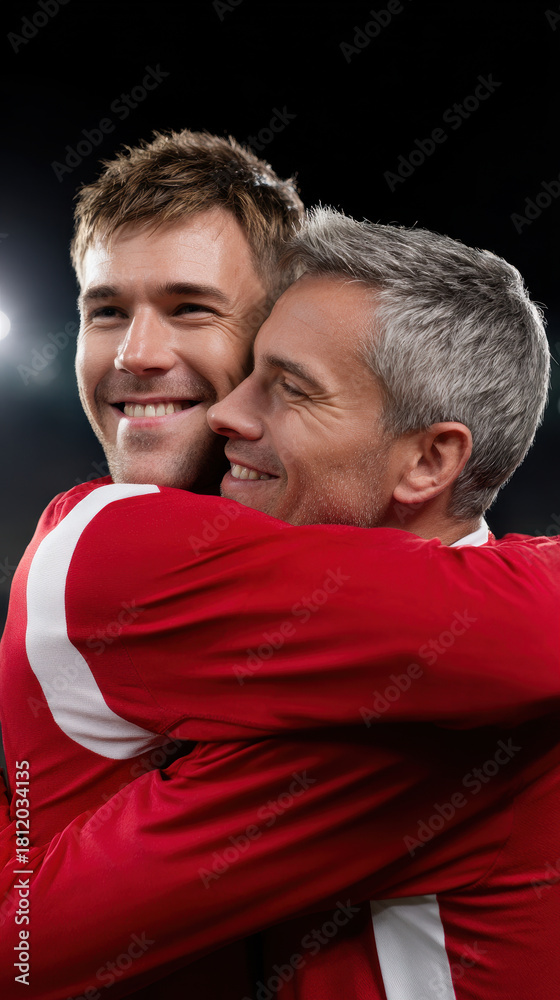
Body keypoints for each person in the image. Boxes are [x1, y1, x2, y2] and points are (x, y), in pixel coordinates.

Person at [0, 206, 558, 999]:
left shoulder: (462, 716)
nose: (228, 412)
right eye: (252, 369)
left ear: (430, 461)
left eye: (290, 389)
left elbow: (24, 949)